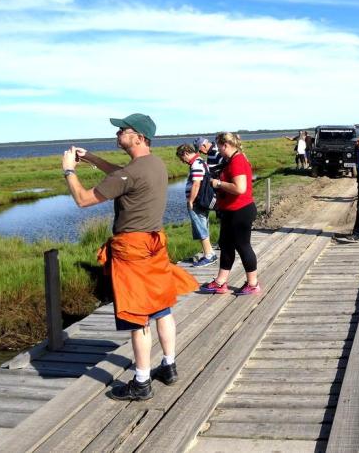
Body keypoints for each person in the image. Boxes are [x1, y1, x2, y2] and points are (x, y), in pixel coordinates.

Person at [62, 113, 198, 401]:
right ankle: (169, 365)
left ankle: (141, 381)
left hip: (131, 251)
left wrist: (69, 171)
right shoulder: (153, 164)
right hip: (155, 247)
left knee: (138, 317)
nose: (117, 133)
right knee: (162, 308)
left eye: (122, 130)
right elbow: (122, 175)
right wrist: (93, 159)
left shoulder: (131, 173)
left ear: (138, 137)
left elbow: (83, 200)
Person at [200, 132, 261, 295]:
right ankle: (221, 282)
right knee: (226, 246)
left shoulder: (238, 161)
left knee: (243, 246)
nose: (217, 150)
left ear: (225, 145)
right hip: (230, 211)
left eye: (218, 146)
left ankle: (253, 283)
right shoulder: (232, 160)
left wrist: (218, 183)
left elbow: (240, 188)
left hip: (240, 211)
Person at [175, 144, 217, 267]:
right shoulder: (200, 161)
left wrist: (190, 201)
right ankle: (209, 252)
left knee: (200, 226)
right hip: (201, 200)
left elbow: (196, 184)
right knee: (203, 224)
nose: (183, 161)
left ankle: (209, 255)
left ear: (186, 153)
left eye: (182, 158)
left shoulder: (196, 164)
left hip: (198, 201)